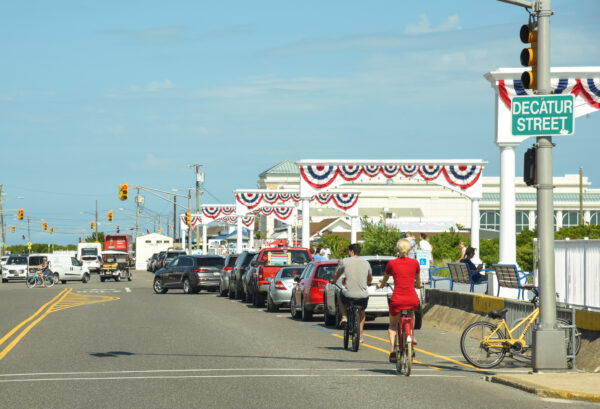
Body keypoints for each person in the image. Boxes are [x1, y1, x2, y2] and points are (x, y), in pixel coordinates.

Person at [377, 239, 423, 363]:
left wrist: (380, 285)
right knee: (411, 314)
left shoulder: (392, 263)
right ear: (409, 250)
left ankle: (392, 350)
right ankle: (411, 335)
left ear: (398, 249)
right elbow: (418, 282)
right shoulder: (415, 263)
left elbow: (385, 279)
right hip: (411, 298)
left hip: (397, 298)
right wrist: (419, 286)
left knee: (392, 325)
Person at [330, 243, 373, 343]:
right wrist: (368, 283)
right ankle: (361, 335)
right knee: (362, 312)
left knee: (340, 295)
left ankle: (344, 316)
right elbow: (370, 277)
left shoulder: (345, 261)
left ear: (352, 251)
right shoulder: (366, 263)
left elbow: (337, 273)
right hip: (362, 295)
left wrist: (334, 280)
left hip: (349, 294)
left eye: (349, 251)